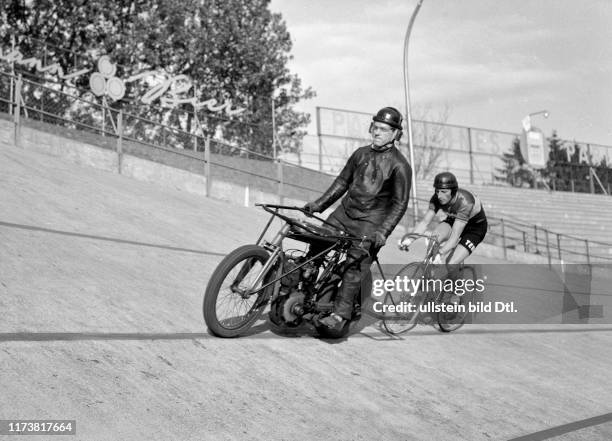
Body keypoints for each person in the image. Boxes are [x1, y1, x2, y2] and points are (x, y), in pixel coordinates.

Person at [303, 107, 412, 331]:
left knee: (355, 265)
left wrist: (383, 232)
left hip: (371, 222)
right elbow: (342, 182)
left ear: (395, 134)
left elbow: (400, 204)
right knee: (316, 244)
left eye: (383, 129)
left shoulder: (401, 166)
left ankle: (339, 316)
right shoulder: (360, 153)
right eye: (375, 127)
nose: (377, 132)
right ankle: (303, 293)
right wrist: (319, 205)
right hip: (344, 214)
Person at [398, 172, 487, 267]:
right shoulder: (436, 198)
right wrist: (409, 240)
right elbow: (425, 222)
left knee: (450, 263)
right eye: (437, 191)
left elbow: (454, 237)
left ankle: (455, 280)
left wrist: (440, 253)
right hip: (454, 220)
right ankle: (429, 274)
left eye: (444, 192)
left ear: (453, 191)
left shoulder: (465, 202)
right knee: (434, 238)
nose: (439, 196)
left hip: (474, 229)